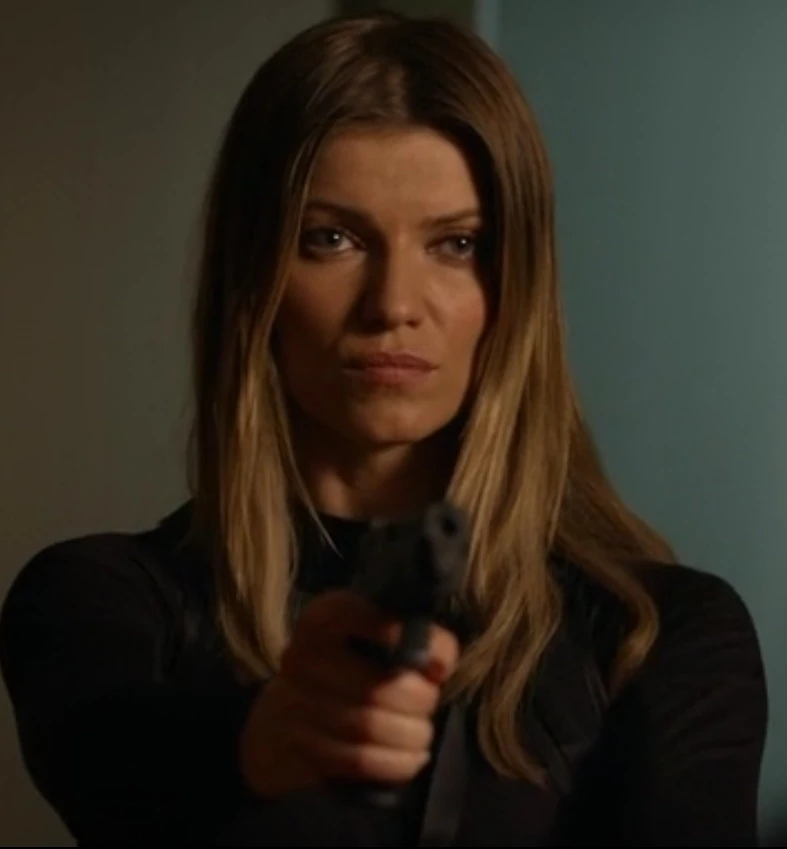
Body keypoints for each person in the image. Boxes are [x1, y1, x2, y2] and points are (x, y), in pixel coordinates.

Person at [0, 11, 767, 848]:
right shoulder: (98, 601)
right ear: (253, 277)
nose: (393, 304)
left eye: (457, 244)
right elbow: (121, 767)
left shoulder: (657, 634)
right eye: (330, 239)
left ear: (514, 285)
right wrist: (263, 741)